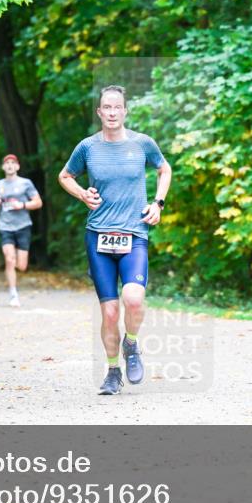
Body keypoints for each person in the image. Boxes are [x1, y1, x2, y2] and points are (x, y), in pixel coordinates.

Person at [58, 85, 172, 395]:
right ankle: (112, 372)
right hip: (99, 237)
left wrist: (158, 204)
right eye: (106, 107)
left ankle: (131, 344)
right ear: (99, 112)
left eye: (116, 107)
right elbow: (65, 176)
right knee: (109, 311)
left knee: (133, 299)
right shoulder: (88, 147)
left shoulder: (142, 144)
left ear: (124, 111)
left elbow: (164, 169)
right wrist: (82, 194)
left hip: (134, 234)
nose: (111, 112)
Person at [0, 154, 42, 307]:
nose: (10, 165)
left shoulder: (26, 183)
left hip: (23, 226)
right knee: (9, 259)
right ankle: (13, 294)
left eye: (13, 163)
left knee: (22, 266)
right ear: (3, 167)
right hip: (5, 226)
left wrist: (23, 205)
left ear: (18, 166)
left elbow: (38, 202)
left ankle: (15, 272)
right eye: (7, 163)